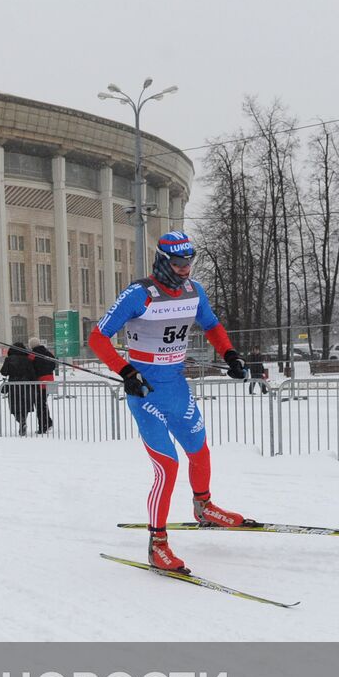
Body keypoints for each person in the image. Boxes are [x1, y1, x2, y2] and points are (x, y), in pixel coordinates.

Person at [88, 230, 250, 573]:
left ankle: (204, 507)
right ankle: (157, 544)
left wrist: (231, 355)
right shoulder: (138, 294)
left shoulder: (194, 291)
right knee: (168, 466)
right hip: (146, 393)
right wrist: (126, 372)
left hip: (176, 386)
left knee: (200, 448)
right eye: (177, 263)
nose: (185, 269)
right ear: (163, 261)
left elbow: (212, 325)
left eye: (189, 262)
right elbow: (97, 336)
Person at [0, 341, 37, 435]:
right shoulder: (27, 360)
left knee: (15, 406)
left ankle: (21, 421)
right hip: (26, 386)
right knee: (25, 406)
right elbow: (32, 374)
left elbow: (3, 372)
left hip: (13, 386)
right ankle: (23, 420)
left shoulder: (9, 359)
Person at [29, 343, 56, 435]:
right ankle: (48, 422)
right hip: (50, 381)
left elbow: (31, 368)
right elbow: (54, 364)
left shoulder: (33, 355)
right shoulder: (48, 353)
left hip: (40, 382)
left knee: (40, 404)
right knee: (43, 402)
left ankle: (43, 426)